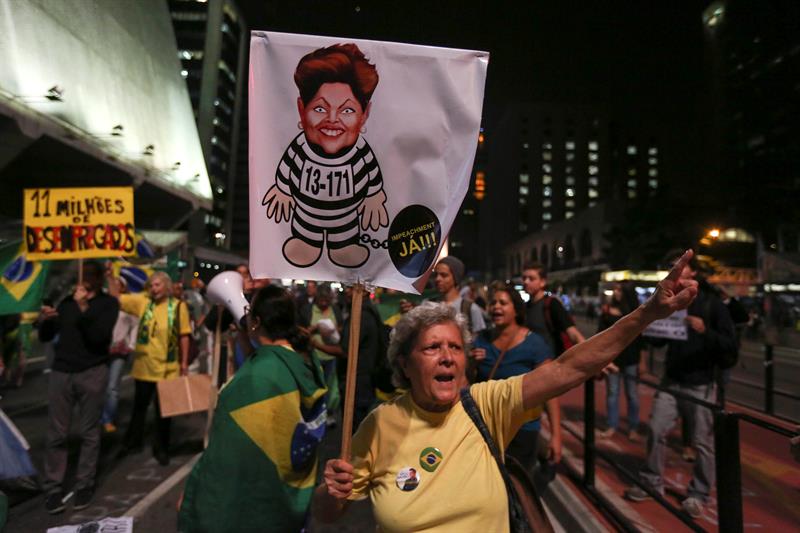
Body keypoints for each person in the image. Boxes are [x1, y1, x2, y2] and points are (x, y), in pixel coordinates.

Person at [313, 250, 699, 531]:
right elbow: (329, 513)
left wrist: (647, 313)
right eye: (432, 348)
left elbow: (571, 366)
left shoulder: (485, 404)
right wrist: (332, 492)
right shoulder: (380, 424)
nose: (448, 357)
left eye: (455, 347)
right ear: (404, 364)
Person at [178, 285, 327, 532]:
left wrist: (197, 496)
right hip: (285, 494)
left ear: (256, 322)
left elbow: (228, 456)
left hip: (254, 505)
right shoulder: (304, 361)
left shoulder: (257, 377)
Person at [625, 250, 737, 519]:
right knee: (655, 428)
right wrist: (647, 330)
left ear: (693, 272)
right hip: (672, 380)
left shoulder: (712, 305)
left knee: (701, 442)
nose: (674, 271)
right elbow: (660, 340)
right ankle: (652, 482)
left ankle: (699, 494)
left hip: (701, 384)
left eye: (679, 266)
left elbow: (730, 346)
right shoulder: (671, 302)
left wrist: (704, 330)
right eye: (670, 267)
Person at [263, 43, 389, 269]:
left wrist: (374, 196)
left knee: (345, 237)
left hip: (347, 221)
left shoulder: (361, 151)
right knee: (305, 236)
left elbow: (373, 173)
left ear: (365, 114)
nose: (332, 119)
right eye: (320, 109)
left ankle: (343, 246)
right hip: (305, 219)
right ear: (302, 109)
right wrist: (282, 190)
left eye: (347, 110)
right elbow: (286, 166)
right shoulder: (300, 147)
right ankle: (306, 242)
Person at [38, 261, 118, 513]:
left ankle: (84, 484)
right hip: (62, 372)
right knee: (57, 433)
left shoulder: (108, 304)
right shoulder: (66, 302)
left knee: (89, 432)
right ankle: (53, 487)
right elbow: (46, 337)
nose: (83, 279)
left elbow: (99, 338)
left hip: (92, 371)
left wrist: (84, 308)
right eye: (81, 275)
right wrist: (46, 320)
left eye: (89, 275)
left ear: (97, 279)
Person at [472, 283, 562, 472]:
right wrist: (471, 363)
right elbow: (468, 383)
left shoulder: (534, 344)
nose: (496, 307)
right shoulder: (480, 340)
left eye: (503, 303)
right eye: (493, 303)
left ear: (516, 310)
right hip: (485, 428)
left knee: (517, 490)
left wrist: (556, 436)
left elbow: (549, 392)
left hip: (522, 432)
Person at [109, 271, 191, 466]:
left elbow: (184, 336)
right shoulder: (143, 303)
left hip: (168, 369)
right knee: (139, 409)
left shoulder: (178, 307)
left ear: (167, 286)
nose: (153, 289)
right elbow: (116, 298)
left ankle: (162, 448)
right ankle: (132, 443)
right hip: (144, 367)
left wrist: (184, 364)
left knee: (164, 412)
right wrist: (110, 277)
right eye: (151, 285)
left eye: (157, 285)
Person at [597, 282, 643, 441]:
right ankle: (612, 425)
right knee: (612, 393)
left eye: (619, 290)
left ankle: (633, 427)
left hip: (631, 359)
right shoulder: (607, 310)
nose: (616, 293)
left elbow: (640, 339)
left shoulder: (636, 312)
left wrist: (641, 362)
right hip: (613, 359)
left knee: (632, 394)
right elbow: (600, 335)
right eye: (615, 289)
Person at [299, 283, 344, 425]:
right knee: (315, 387)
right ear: (316, 298)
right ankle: (313, 415)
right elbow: (300, 329)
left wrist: (333, 330)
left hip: (331, 356)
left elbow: (342, 327)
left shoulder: (335, 309)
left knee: (330, 389)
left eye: (327, 300)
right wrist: (314, 328)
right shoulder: (307, 310)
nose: (324, 303)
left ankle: (329, 413)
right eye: (321, 300)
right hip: (314, 357)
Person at [100, 277, 139, 434]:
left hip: (119, 351)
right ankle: (96, 416)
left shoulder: (127, 306)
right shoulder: (103, 303)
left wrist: (131, 345)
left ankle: (108, 419)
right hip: (101, 349)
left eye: (118, 284)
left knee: (112, 387)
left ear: (123, 288)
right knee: (97, 385)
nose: (114, 286)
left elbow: (135, 325)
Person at [521, 261, 585, 356]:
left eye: (531, 279)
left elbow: (574, 334)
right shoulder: (525, 306)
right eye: (524, 278)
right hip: (530, 364)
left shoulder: (551, 304)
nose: (526, 282)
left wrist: (592, 355)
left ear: (542, 282)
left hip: (551, 363)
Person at [433, 256, 486, 335]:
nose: (438, 279)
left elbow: (479, 342)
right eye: (436, 275)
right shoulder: (429, 305)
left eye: (444, 275)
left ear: (455, 278)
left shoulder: (471, 309)